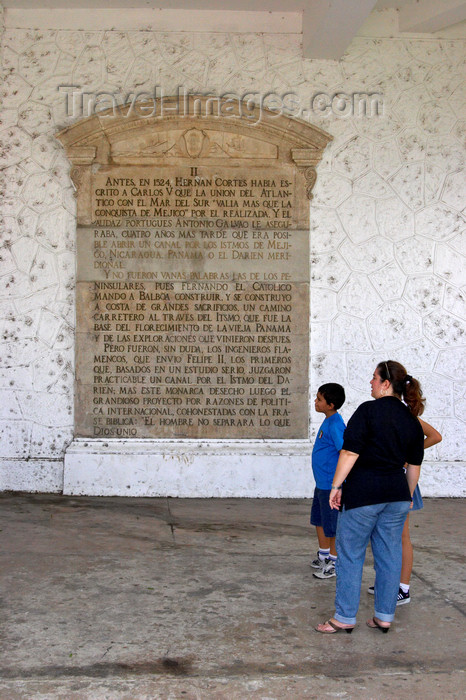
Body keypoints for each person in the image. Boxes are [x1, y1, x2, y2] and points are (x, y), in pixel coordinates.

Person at [315, 360, 425, 634]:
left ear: (386, 384)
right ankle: (384, 616)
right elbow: (414, 467)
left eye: (374, 378)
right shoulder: (411, 419)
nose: (371, 383)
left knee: (351, 555)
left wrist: (336, 486)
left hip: (364, 494)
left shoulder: (368, 411)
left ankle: (344, 617)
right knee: (389, 555)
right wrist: (407, 495)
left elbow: (349, 453)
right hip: (396, 496)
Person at [367, 417, 442, 604]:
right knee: (385, 535)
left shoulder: (408, 417)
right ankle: (389, 582)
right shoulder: (382, 414)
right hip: (386, 481)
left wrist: (409, 456)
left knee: (401, 537)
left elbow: (435, 436)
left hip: (401, 483)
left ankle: (403, 588)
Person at [309, 383, 346, 580]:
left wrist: (338, 483)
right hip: (321, 484)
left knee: (332, 524)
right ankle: (323, 554)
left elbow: (344, 452)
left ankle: (334, 560)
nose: (315, 402)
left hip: (331, 486)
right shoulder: (328, 420)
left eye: (319, 399)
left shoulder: (336, 424)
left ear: (330, 404)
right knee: (320, 519)